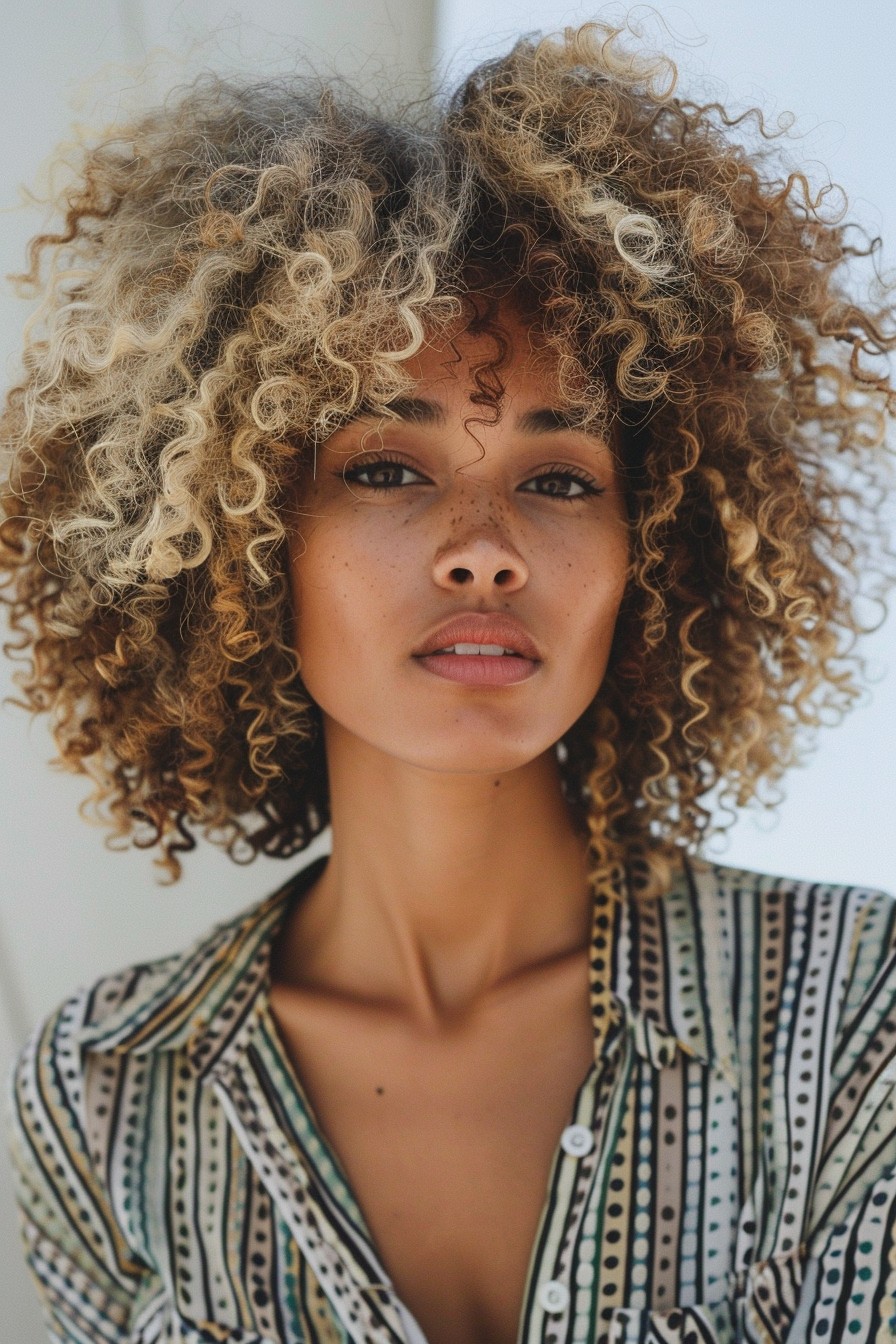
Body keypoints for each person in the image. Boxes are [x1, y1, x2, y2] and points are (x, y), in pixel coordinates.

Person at [3, 20, 896, 1344]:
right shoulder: (107, 1092)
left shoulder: (852, 1020)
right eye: (385, 468)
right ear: (242, 547)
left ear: (654, 548)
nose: (484, 553)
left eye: (557, 479)